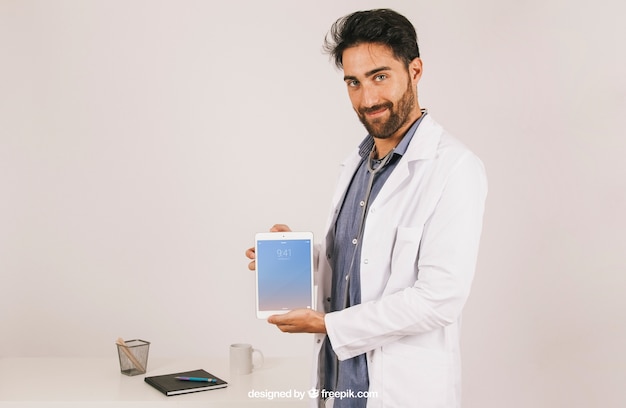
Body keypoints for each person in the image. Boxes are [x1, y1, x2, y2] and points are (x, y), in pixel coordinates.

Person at [245, 8, 487, 408]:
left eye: (380, 77)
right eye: (353, 83)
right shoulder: (357, 165)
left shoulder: (455, 167)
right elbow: (358, 265)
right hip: (337, 384)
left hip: (399, 391)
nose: (368, 98)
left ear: (415, 71)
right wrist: (296, 257)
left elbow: (440, 298)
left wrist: (327, 325)